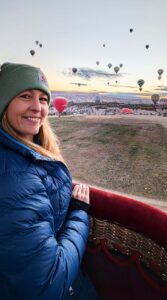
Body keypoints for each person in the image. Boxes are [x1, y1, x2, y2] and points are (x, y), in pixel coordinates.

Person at [0, 62, 98, 300]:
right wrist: (80, 213)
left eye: (43, 99)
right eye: (25, 96)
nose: (37, 107)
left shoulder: (24, 155)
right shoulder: (15, 178)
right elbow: (49, 285)